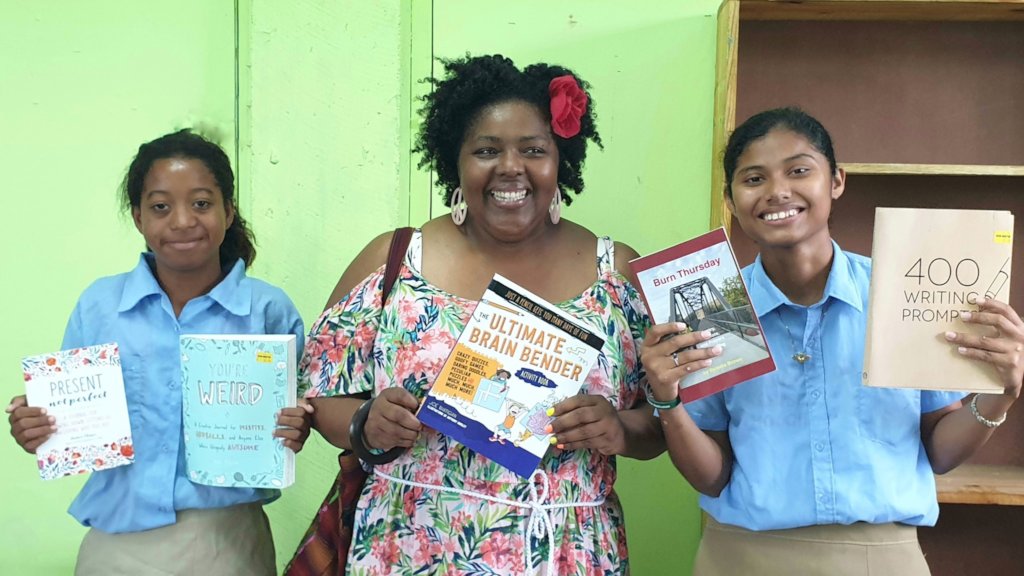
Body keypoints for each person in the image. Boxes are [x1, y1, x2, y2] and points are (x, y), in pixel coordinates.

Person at [299, 54, 660, 575]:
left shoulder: (617, 274)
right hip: (408, 545)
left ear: (560, 160)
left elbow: (668, 419)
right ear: (456, 160)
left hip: (562, 547)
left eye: (533, 150)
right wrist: (366, 422)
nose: (510, 167)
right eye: (487, 150)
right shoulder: (395, 260)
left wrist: (621, 431)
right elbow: (320, 395)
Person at [642, 107, 1024, 575]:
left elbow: (941, 452)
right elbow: (713, 475)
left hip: (881, 560)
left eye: (799, 170)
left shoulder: (902, 293)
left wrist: (1000, 393)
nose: (778, 191)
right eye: (754, 178)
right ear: (731, 197)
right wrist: (668, 401)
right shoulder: (713, 313)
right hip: (741, 559)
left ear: (836, 181)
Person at [6, 129, 312, 576]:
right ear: (137, 217)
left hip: (227, 544)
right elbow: (66, 418)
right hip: (117, 543)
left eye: (202, 203)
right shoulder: (99, 305)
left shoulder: (267, 309)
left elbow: (300, 413)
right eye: (160, 206)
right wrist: (36, 426)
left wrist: (296, 427)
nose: (182, 220)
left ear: (229, 212)